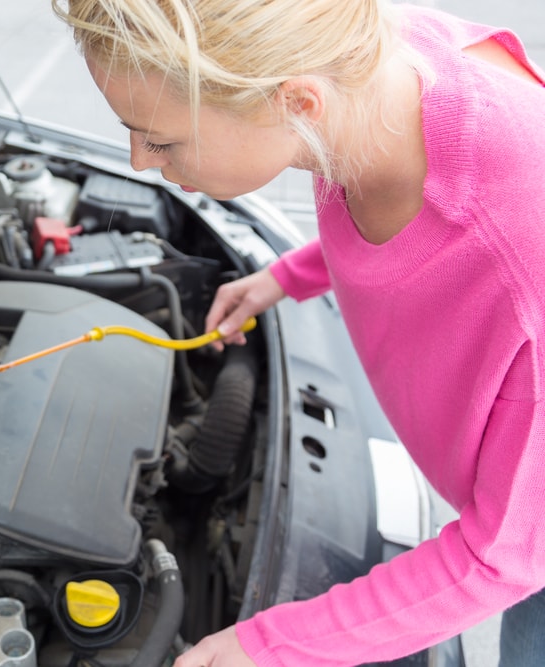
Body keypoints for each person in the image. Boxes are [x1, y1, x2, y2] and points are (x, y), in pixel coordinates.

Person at [52, 0, 545, 665]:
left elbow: (505, 557)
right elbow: (391, 205)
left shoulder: (524, 267)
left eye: (162, 139)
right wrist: (289, 274)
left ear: (298, 104)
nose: (140, 161)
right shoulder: (360, 65)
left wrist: (268, 644)